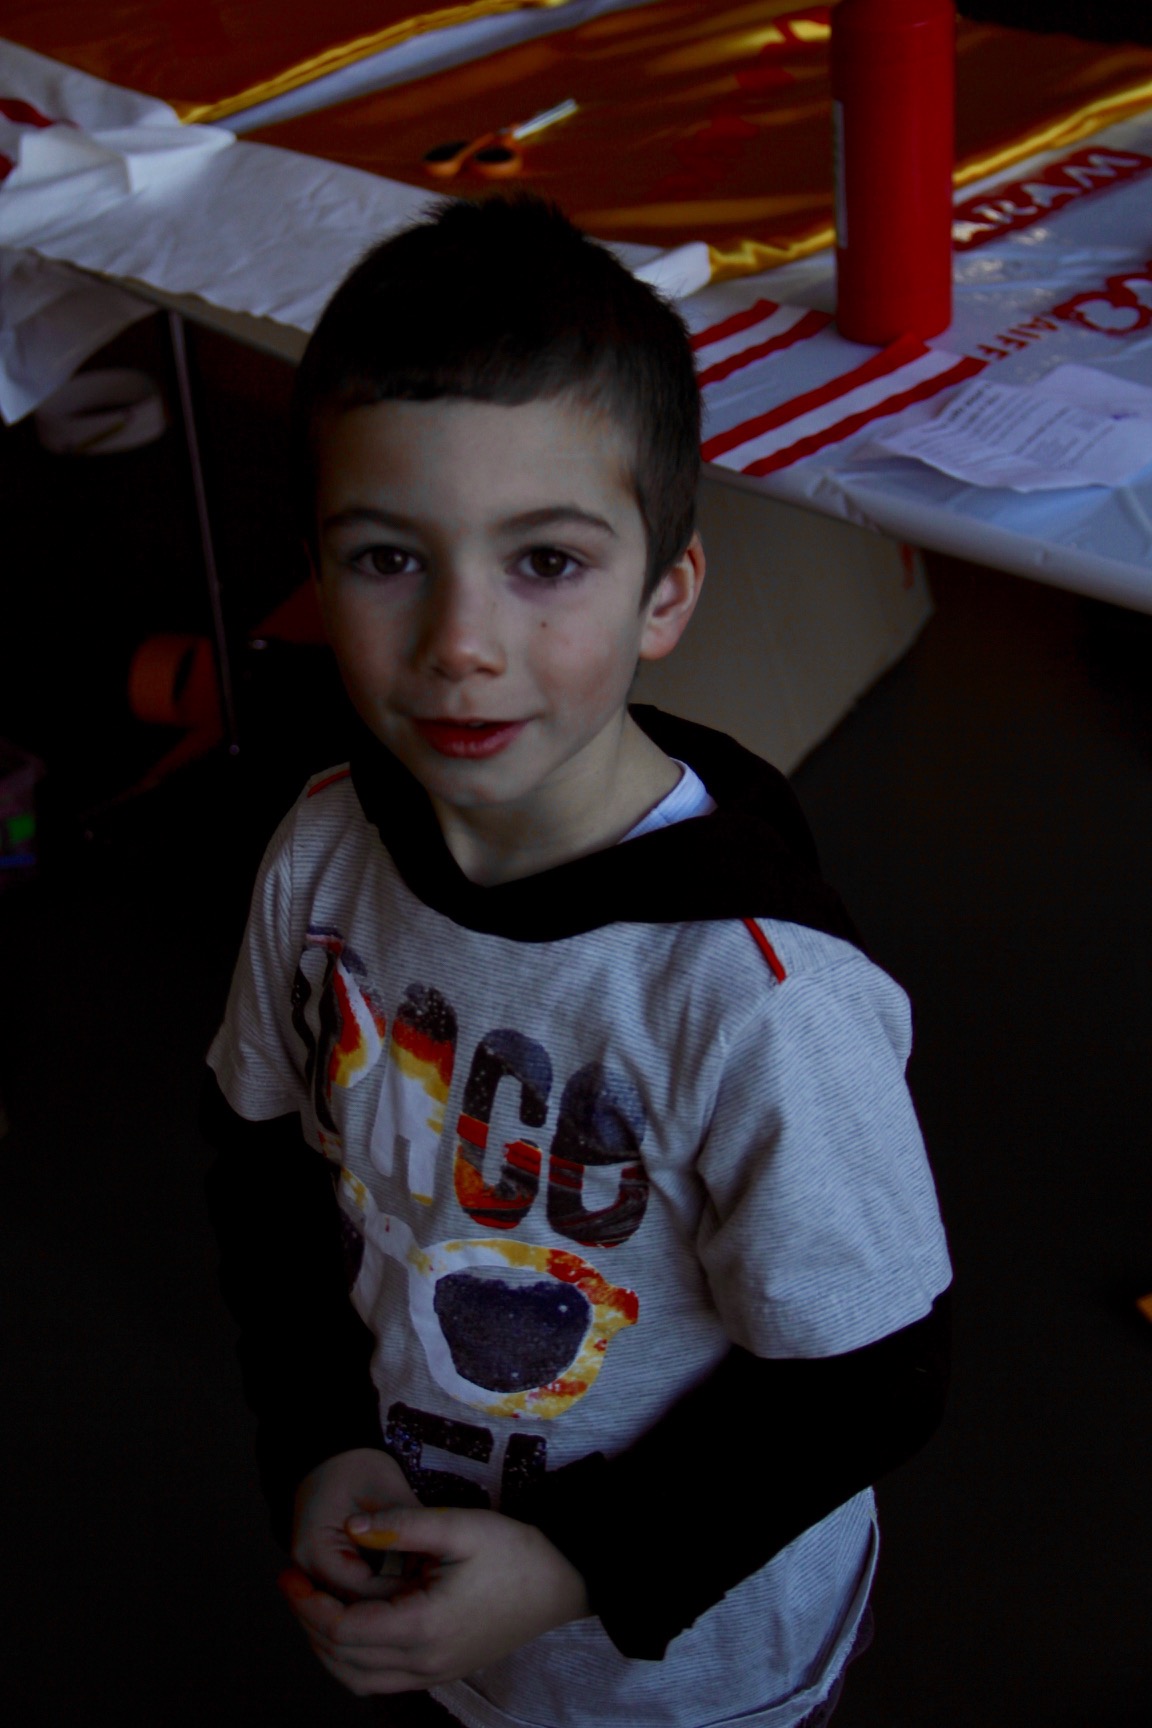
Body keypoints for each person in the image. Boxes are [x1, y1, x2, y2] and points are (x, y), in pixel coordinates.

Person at [203, 192, 952, 1728]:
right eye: (389, 558)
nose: (461, 643)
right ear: (317, 575)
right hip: (449, 1612)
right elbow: (263, 1163)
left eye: (545, 560)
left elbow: (871, 1378)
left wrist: (570, 1566)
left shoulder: (756, 997)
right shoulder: (320, 849)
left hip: (696, 1671)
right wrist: (321, 1437)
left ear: (665, 593)